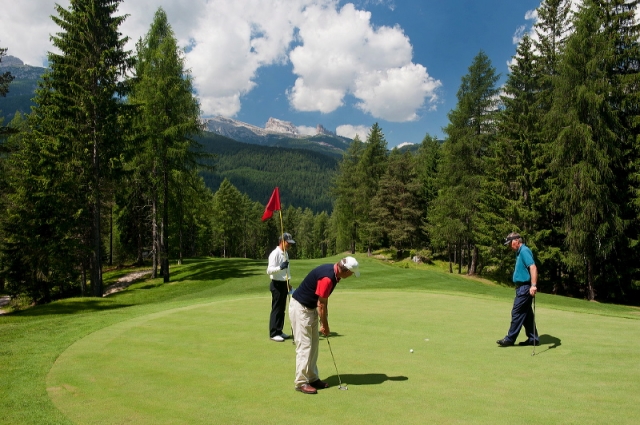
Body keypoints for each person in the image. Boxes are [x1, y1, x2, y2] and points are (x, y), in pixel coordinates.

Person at [289, 256, 360, 394]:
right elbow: (321, 304)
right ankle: (301, 382)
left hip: (309, 308)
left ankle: (312, 377)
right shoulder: (327, 278)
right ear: (345, 271)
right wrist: (325, 325)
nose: (351, 276)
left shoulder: (334, 272)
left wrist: (323, 321)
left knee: (314, 345)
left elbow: (322, 302)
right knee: (305, 346)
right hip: (301, 309)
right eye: (351, 273)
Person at [497, 232, 540, 347]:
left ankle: (510, 339)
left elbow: (533, 267)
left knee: (516, 312)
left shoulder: (524, 251)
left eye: (510, 243)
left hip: (525, 287)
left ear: (516, 241)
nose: (510, 246)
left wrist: (533, 285)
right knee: (526, 314)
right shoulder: (519, 252)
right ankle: (533, 339)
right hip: (522, 287)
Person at [266, 232, 295, 342]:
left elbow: (286, 271)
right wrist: (280, 267)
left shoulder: (285, 253)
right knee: (276, 309)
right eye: (288, 243)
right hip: (276, 284)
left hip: (283, 284)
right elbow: (269, 270)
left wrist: (288, 282)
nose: (289, 245)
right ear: (282, 242)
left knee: (282, 309)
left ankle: (279, 330)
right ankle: (273, 333)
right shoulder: (275, 253)